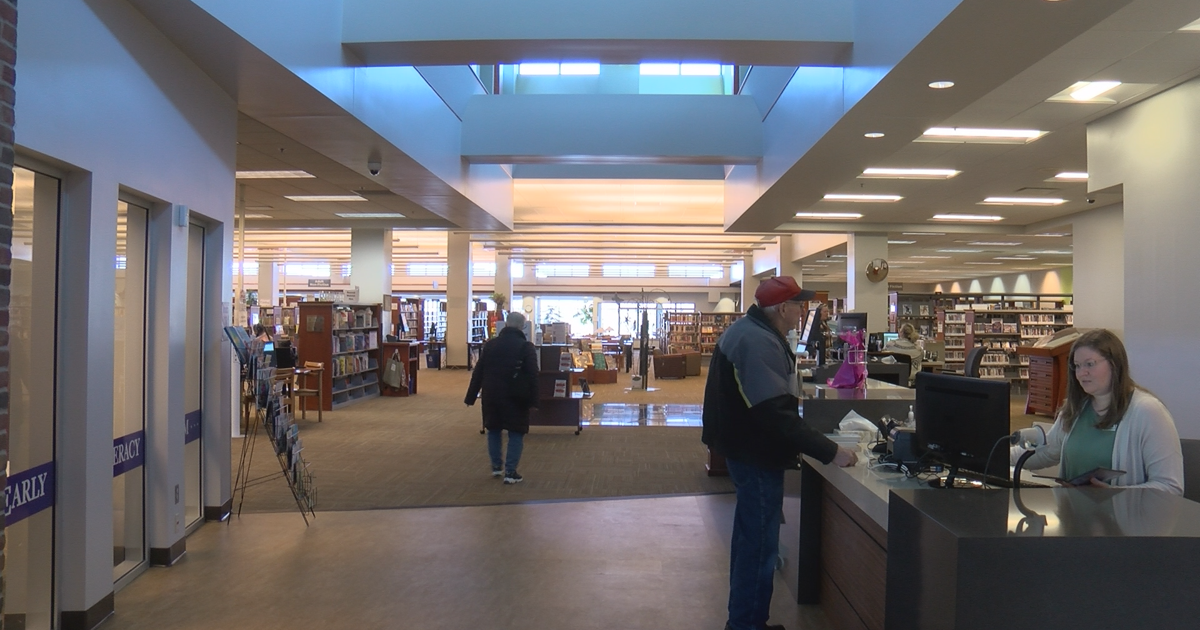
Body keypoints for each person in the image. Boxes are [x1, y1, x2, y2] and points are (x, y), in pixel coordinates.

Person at [702, 276, 859, 630]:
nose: (802, 311)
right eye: (798, 304)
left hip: (744, 447)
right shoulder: (757, 342)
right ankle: (746, 625)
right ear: (782, 308)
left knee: (750, 541)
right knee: (759, 546)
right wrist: (831, 450)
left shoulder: (750, 331)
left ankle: (746, 621)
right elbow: (773, 413)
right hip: (755, 453)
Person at [1016, 328, 1183, 494]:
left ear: (1114, 363)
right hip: (1073, 517)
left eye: (1090, 364)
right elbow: (1047, 452)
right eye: (1077, 366)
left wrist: (1116, 494)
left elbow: (1170, 487)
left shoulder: (1148, 412)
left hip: (1122, 519)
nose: (1082, 373)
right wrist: (997, 456)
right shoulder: (1074, 409)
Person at [464, 311, 539, 484]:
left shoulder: (491, 345)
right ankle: (510, 472)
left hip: (491, 393)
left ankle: (497, 466)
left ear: (505, 325)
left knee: (494, 429)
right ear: (522, 326)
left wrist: (471, 396)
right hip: (516, 395)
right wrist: (534, 400)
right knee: (516, 431)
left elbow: (479, 371)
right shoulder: (526, 347)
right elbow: (533, 375)